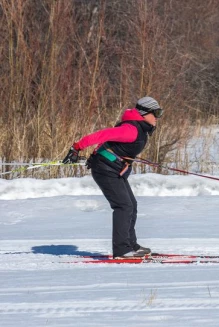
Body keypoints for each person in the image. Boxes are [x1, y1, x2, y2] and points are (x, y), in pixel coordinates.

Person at [62, 97, 163, 258]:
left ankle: (131, 245)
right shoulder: (131, 129)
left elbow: (123, 149)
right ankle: (122, 250)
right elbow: (101, 135)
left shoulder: (140, 128)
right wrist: (76, 148)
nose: (158, 117)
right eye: (156, 113)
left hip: (114, 169)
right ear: (144, 113)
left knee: (131, 205)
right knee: (123, 206)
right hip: (104, 169)